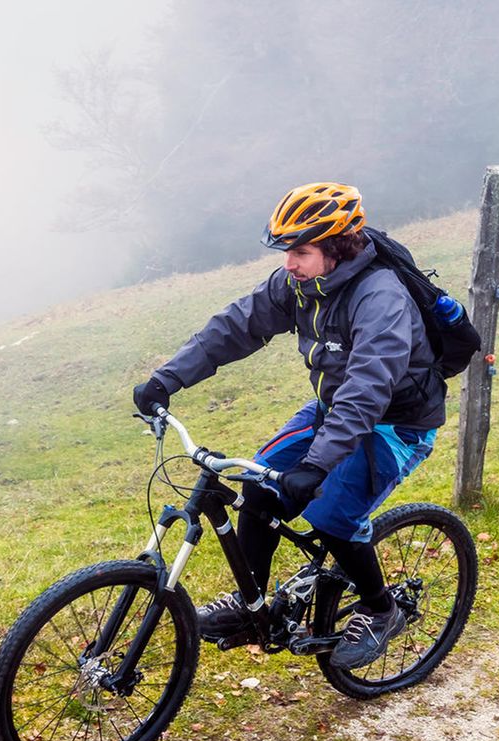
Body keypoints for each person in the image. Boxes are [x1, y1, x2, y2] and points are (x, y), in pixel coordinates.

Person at [132, 182, 446, 668]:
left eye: (300, 251)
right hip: (332, 410)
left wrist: (317, 465)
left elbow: (367, 390)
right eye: (286, 252)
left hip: (394, 424)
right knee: (257, 485)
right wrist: (166, 379)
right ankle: (251, 604)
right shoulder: (300, 284)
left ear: (336, 248)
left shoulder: (381, 298)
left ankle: (381, 611)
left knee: (334, 515)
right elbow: (235, 326)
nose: (288, 263)